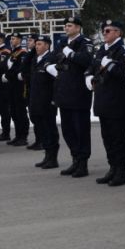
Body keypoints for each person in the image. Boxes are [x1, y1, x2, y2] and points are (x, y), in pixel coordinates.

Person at [47, 16, 94, 178]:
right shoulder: (63, 43)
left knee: (80, 130)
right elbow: (53, 58)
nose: (66, 28)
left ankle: (83, 163)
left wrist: (71, 53)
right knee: (68, 130)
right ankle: (75, 159)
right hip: (64, 93)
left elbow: (87, 60)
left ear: (78, 28)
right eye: (65, 25)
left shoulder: (84, 42)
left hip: (79, 94)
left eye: (70, 25)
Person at [87, 19, 125, 186]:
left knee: (118, 138)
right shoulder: (102, 50)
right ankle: (112, 168)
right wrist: (88, 76)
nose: (104, 33)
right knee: (107, 138)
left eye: (108, 31)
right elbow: (93, 66)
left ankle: (120, 172)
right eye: (104, 31)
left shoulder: (123, 51)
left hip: (118, 102)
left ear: (118, 33)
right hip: (103, 100)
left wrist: (111, 66)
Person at [28, 35, 60, 169]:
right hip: (36, 100)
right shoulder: (36, 59)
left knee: (50, 129)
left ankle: (53, 158)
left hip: (47, 101)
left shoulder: (51, 58)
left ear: (47, 45)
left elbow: (56, 81)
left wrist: (54, 100)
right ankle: (47, 155)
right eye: (36, 44)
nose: (36, 46)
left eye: (40, 44)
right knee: (42, 129)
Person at [4, 33, 30, 146]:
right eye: (11, 39)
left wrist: (7, 75)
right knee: (13, 111)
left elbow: (19, 69)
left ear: (19, 40)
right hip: (11, 86)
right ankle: (18, 135)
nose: (11, 41)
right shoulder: (12, 52)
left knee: (20, 111)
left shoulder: (22, 53)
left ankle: (23, 136)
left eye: (13, 39)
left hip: (19, 86)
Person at [0, 32, 13, 141]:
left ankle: (6, 133)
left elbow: (0, 66)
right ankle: (5, 132)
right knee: (1, 109)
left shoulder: (4, 51)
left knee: (4, 110)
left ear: (0, 40)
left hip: (3, 85)